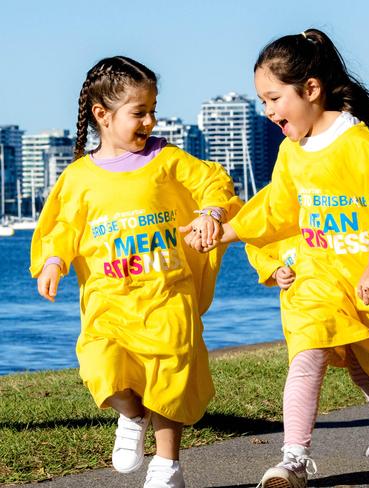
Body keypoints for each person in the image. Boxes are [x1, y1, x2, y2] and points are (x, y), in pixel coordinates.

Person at [189, 28, 369, 488]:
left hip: (361, 278)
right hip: (315, 280)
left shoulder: (364, 147)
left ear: (311, 90)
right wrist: (224, 233)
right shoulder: (291, 152)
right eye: (262, 101)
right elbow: (275, 209)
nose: (268, 112)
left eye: (274, 98)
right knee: (307, 355)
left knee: (367, 366)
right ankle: (293, 460)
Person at [30, 56, 241, 488]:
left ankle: (167, 466)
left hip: (167, 293)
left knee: (169, 377)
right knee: (101, 368)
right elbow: (63, 227)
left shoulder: (167, 159)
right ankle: (131, 414)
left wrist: (210, 213)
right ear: (102, 115)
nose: (150, 120)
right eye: (138, 112)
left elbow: (213, 183)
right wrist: (54, 260)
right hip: (110, 302)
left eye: (153, 110)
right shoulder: (79, 177)